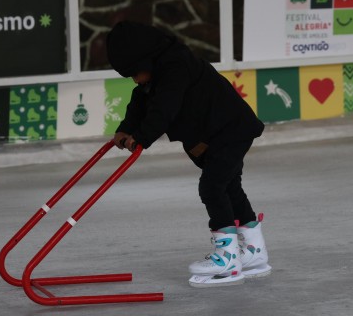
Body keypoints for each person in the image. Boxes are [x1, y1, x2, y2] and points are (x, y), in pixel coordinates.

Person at [106, 20, 271, 288]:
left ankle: (227, 257)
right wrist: (125, 129)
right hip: (219, 133)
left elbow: (165, 107)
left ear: (145, 58)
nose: (135, 80)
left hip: (231, 130)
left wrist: (142, 137)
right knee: (229, 187)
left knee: (212, 187)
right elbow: (141, 100)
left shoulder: (176, 66)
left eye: (135, 72)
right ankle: (253, 252)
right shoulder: (156, 73)